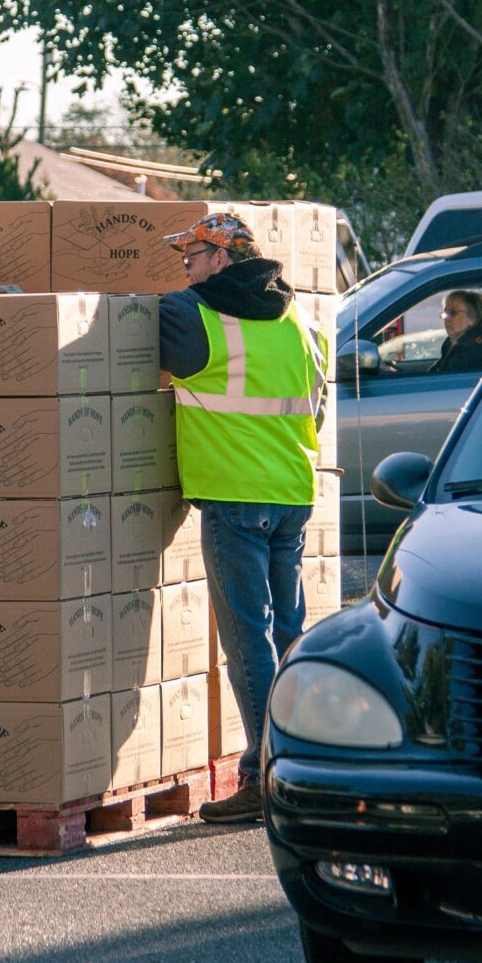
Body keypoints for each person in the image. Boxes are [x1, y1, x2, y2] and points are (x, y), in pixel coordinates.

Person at [157, 211, 328, 824]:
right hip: (291, 494)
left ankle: (261, 775)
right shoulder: (302, 321)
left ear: (223, 260)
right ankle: (306, 762)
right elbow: (317, 406)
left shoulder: (190, 315)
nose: (185, 263)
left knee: (246, 638)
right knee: (288, 632)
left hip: (234, 499)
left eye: (195, 253)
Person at [431, 289, 482, 374]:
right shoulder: (454, 345)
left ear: (472, 318)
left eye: (452, 313)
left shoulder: (473, 352)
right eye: (445, 314)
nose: (447, 319)